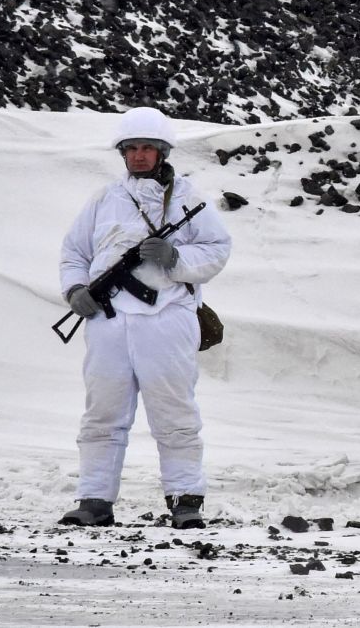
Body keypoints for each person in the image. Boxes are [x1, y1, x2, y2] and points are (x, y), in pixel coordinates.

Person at [58, 106, 232, 529]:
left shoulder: (188, 199)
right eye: (131, 148)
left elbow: (216, 248)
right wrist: (77, 289)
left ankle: (186, 500)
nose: (138, 156)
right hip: (108, 321)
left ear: (162, 153)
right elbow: (74, 252)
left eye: (147, 149)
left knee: (174, 412)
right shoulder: (104, 198)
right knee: (102, 413)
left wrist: (176, 258)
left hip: (167, 317)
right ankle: (94, 500)